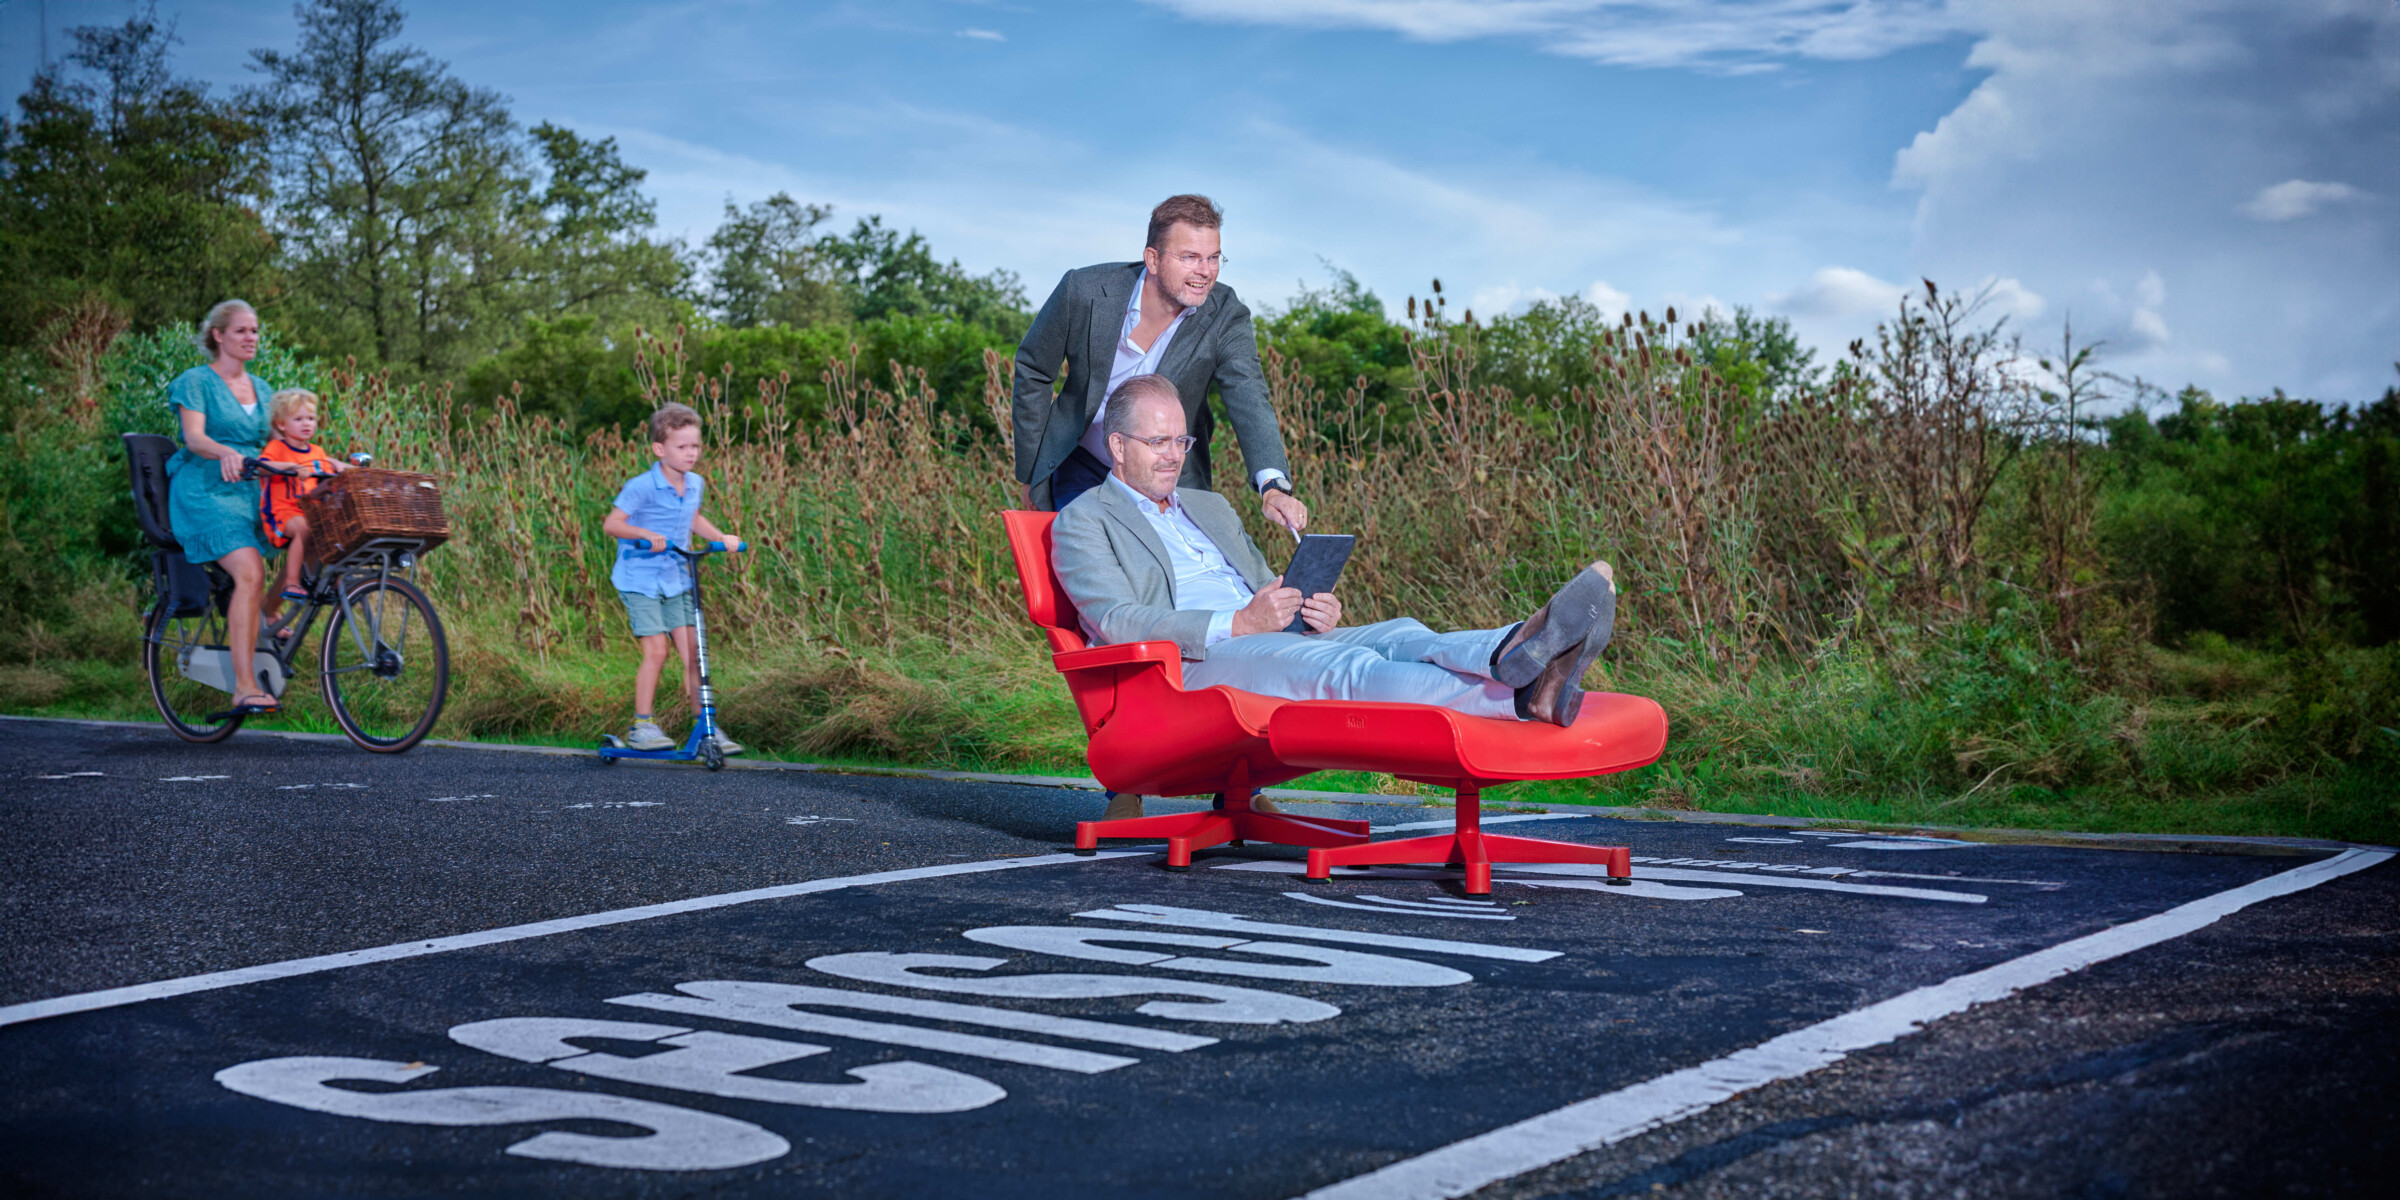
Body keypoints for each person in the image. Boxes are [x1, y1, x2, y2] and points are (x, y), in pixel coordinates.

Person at [1052, 374, 1616, 740]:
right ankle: (1519, 695)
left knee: (1401, 634)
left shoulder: (1209, 505)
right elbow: (1117, 620)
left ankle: (1513, 648)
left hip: (1268, 639)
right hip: (1193, 666)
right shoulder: (1084, 518)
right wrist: (1240, 623)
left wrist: (1303, 608)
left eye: (1182, 441)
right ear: (1118, 445)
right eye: (1158, 442)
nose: (1174, 456)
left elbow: (1262, 586)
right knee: (1346, 670)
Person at [1012, 194, 1311, 533]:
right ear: (1153, 259)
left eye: (1214, 258)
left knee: (1178, 565)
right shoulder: (1083, 291)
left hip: (1166, 480)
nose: (1205, 272)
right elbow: (1034, 369)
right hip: (1081, 466)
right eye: (1190, 257)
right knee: (1089, 553)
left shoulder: (1225, 314)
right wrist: (1032, 470)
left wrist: (1273, 485)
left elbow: (1250, 397)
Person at [600, 402, 745, 754]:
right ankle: (642, 726)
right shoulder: (641, 486)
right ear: (659, 449)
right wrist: (645, 534)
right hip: (640, 580)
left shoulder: (695, 483)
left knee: (694, 653)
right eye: (682, 446)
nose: (691, 453)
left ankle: (705, 727)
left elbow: (692, 518)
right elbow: (612, 524)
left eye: (695, 445)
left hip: (677, 577)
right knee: (657, 651)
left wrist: (721, 538)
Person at [164, 300, 279, 715]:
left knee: (314, 533)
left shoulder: (263, 389)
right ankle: (244, 686)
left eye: (255, 331)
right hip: (206, 490)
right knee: (250, 571)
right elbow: (194, 438)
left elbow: (278, 445)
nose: (251, 338)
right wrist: (226, 452)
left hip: (253, 490)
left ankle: (268, 614)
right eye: (241, 330)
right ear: (219, 335)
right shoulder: (196, 381)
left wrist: (317, 464)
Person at [257, 389, 349, 630]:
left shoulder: (317, 453)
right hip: (281, 512)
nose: (306, 423)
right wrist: (289, 467)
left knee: (333, 530)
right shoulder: (277, 447)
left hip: (309, 509)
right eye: (298, 419)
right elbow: (262, 467)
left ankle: (334, 581)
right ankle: (291, 581)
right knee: (303, 528)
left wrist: (334, 481)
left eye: (310, 418)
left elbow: (315, 489)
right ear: (281, 425)